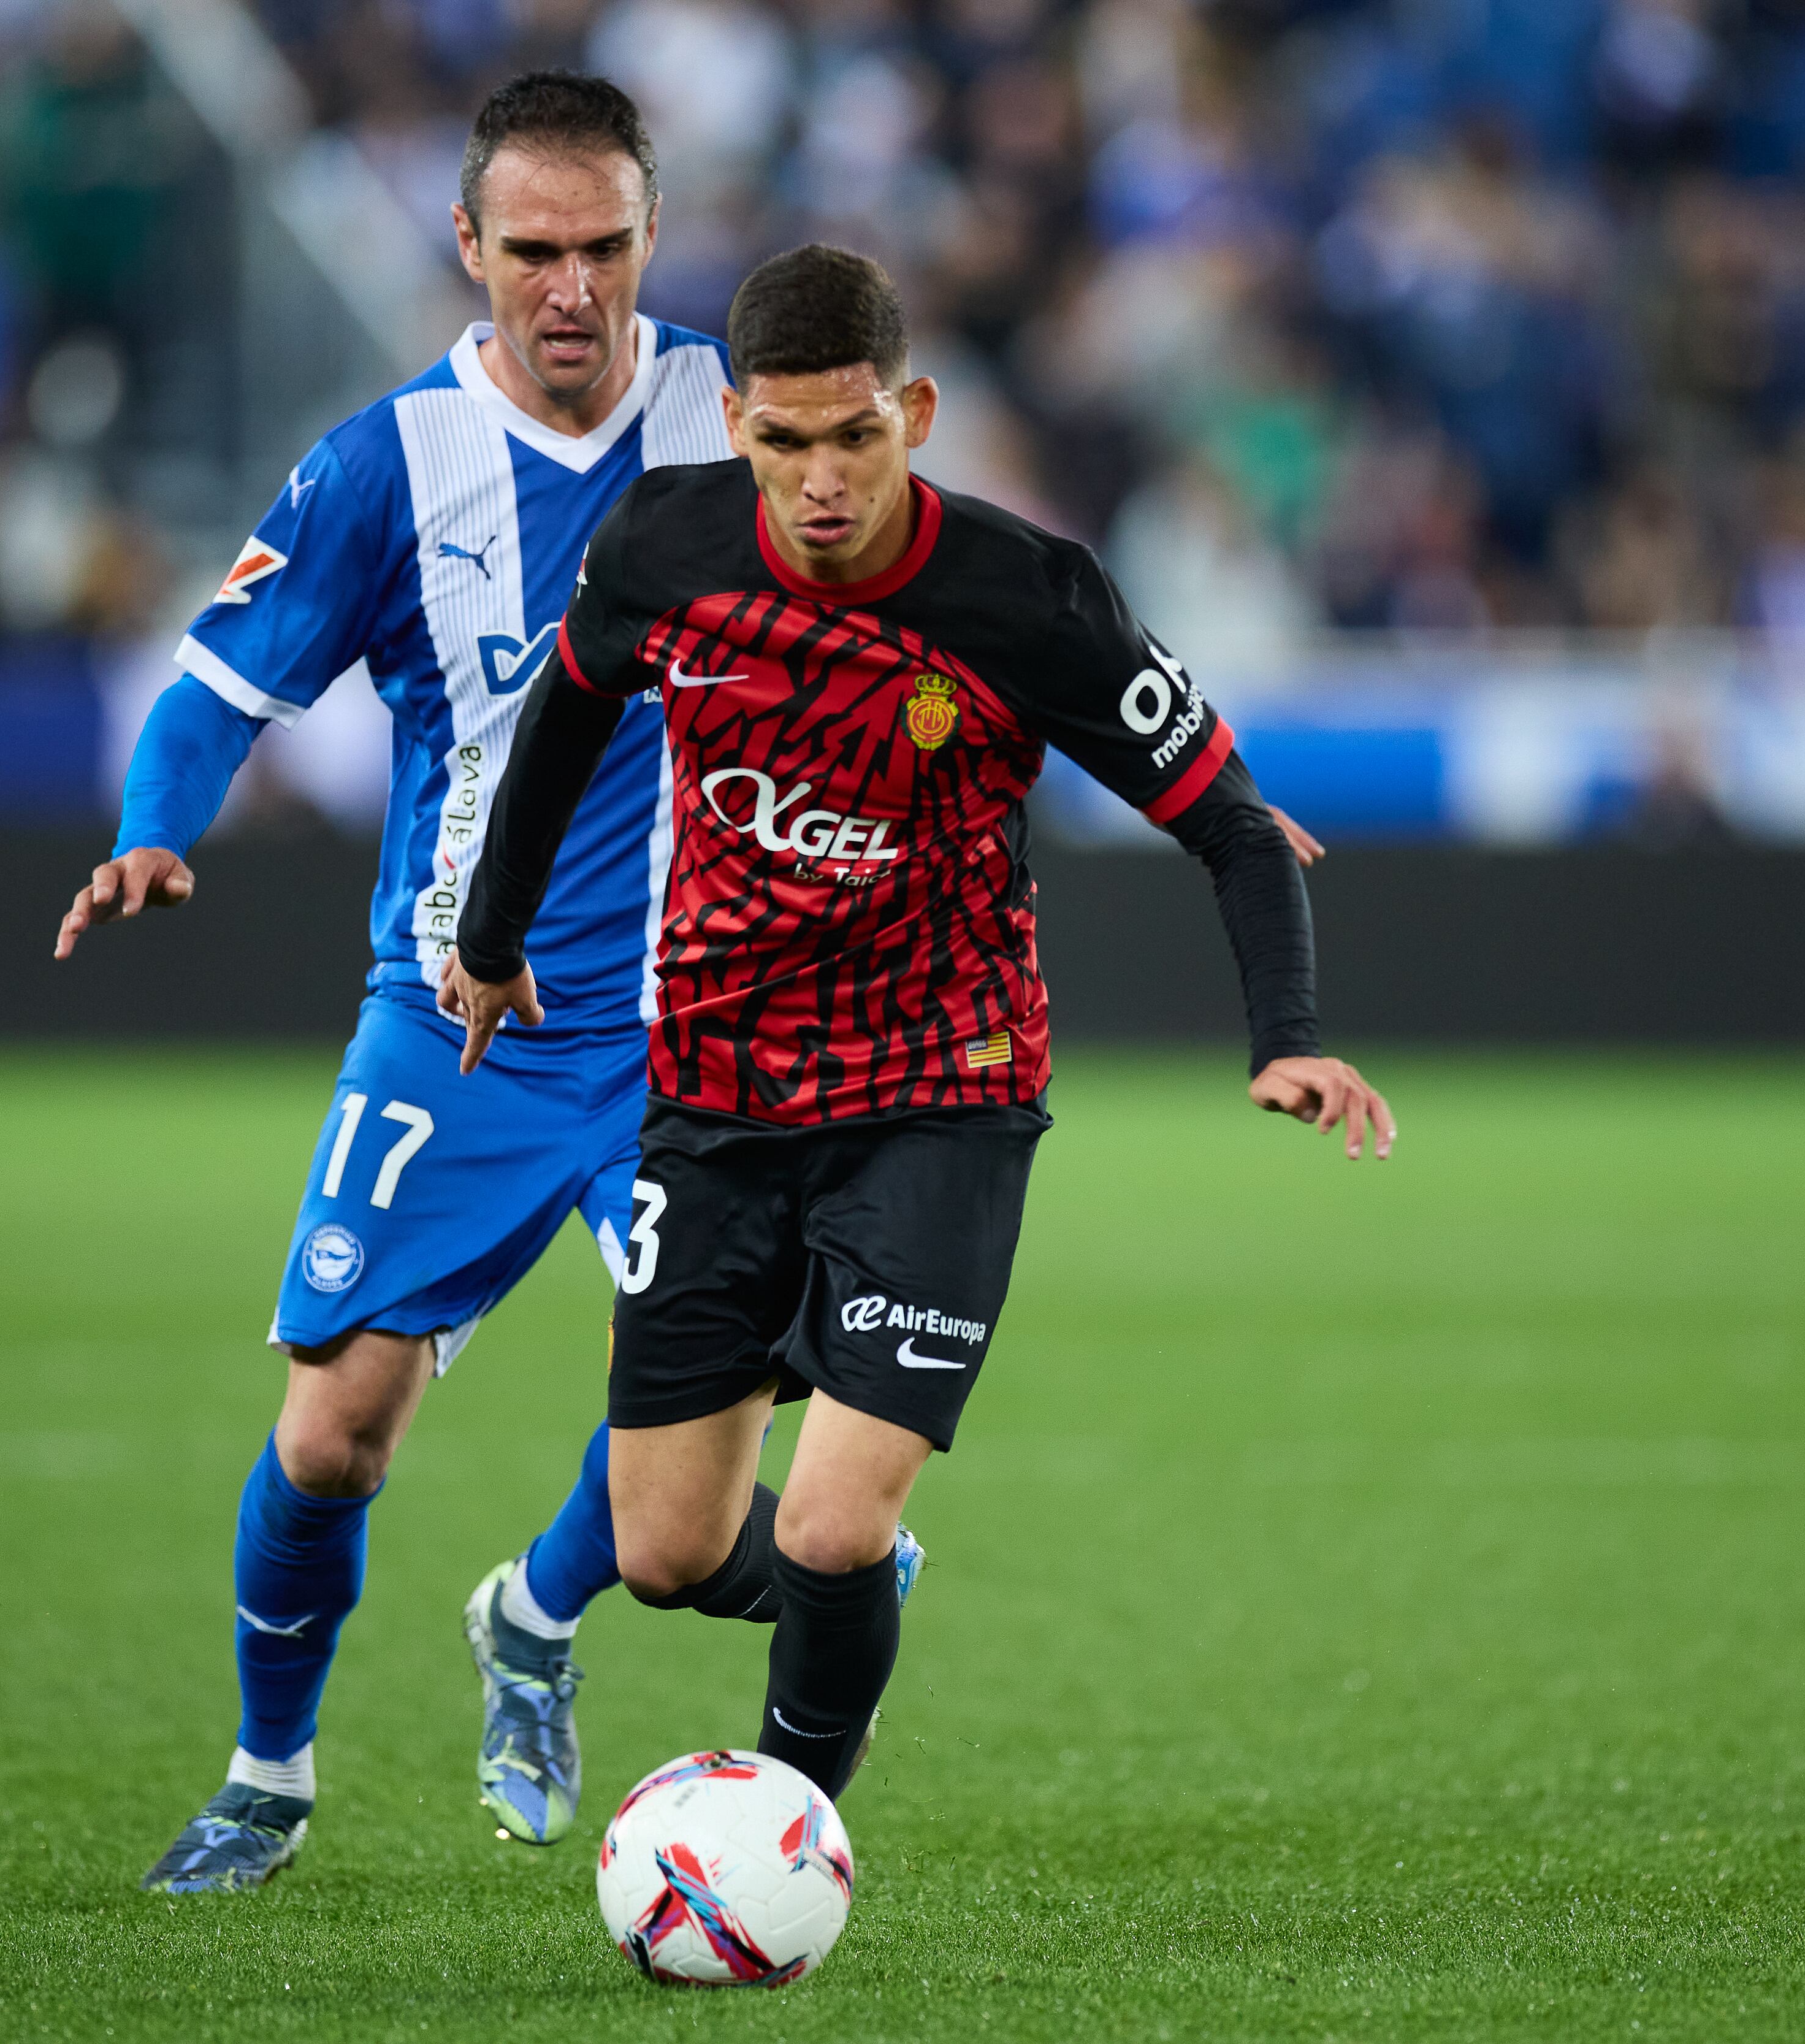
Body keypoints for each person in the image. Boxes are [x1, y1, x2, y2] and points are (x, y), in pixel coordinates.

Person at [443, 245, 1392, 1801]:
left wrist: (1282, 1031)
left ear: (918, 414)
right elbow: (564, 712)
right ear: (734, 423)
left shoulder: (1029, 597)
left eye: (856, 436)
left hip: (940, 1092)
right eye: (785, 441)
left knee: (832, 1526)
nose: (822, 480)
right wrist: (491, 937)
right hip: (717, 1091)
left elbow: (1230, 819)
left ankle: (787, 1825)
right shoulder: (665, 543)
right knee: (667, 1545)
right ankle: (833, 1626)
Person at [50, 71, 734, 1891]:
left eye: (605, 247)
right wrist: (152, 826)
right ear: (468, 243)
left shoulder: (741, 419)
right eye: (535, 249)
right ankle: (266, 1774)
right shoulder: (383, 465)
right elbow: (215, 684)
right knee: (334, 1430)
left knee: (690, 1459)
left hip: (698, 1038)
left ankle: (536, 1610)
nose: (573, 288)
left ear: (651, 236)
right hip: (458, 1022)